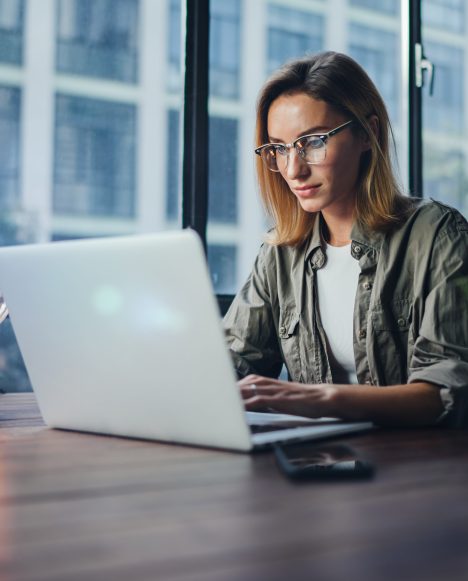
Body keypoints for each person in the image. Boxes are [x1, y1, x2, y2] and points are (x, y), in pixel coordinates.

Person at [223, 51, 468, 428]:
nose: (294, 169)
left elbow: (446, 391)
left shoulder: (438, 235)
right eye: (280, 148)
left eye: (313, 142)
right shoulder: (279, 254)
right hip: (319, 462)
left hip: (417, 468)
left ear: (368, 134)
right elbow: (234, 363)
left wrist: (325, 399)